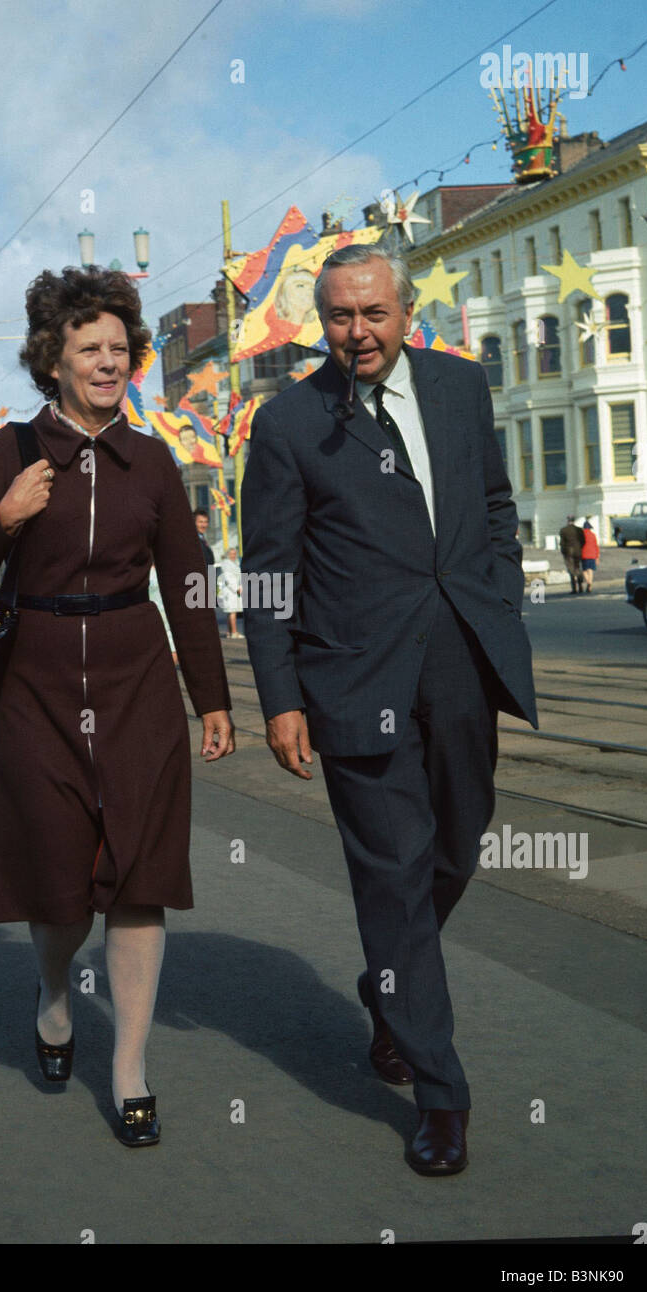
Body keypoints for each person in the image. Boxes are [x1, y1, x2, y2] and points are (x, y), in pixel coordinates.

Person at [241, 243, 537, 1177]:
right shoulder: (288, 421)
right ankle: (440, 1094)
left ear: (405, 312)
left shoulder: (460, 389)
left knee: (457, 842)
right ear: (318, 322)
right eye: (337, 317)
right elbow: (268, 574)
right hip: (351, 681)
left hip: (458, 661)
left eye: (372, 314)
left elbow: (493, 505)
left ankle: (385, 987)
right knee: (393, 879)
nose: (356, 333)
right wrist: (279, 698)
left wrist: (496, 599)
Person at [0, 265, 235, 1146]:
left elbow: (187, 585)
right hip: (35, 683)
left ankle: (130, 1068)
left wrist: (211, 697)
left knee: (139, 880)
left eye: (119, 349)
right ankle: (53, 991)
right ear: (53, 359)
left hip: (136, 680)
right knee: (61, 884)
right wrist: (5, 512)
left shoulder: (152, 459)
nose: (108, 362)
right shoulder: (11, 449)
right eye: (89, 348)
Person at [217, 546, 243, 638]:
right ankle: (234, 632)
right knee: (232, 612)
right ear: (228, 554)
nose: (233, 555)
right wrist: (237, 588)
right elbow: (228, 578)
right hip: (230, 591)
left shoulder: (234, 563)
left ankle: (229, 632)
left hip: (233, 590)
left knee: (231, 612)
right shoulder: (226, 564)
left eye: (235, 554)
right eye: (231, 554)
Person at [559, 515, 585, 595]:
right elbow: (583, 541)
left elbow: (562, 543)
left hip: (568, 552)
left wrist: (563, 552)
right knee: (578, 568)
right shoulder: (579, 530)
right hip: (578, 551)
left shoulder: (563, 530)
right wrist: (580, 548)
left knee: (571, 570)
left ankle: (574, 588)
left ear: (568, 521)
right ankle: (580, 585)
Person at [580, 519, 599, 594]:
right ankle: (590, 584)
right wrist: (597, 556)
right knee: (590, 570)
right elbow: (596, 546)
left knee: (584, 570)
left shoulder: (581, 535)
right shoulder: (593, 535)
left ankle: (588, 581)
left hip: (584, 554)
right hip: (592, 554)